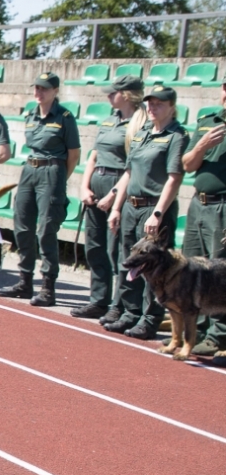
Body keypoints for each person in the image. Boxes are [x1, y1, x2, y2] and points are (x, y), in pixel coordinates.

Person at [105, 85, 188, 341]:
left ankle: (150, 318)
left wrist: (159, 213)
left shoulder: (177, 136)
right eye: (150, 103)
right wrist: (117, 207)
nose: (152, 107)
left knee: (154, 268)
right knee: (128, 261)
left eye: (159, 104)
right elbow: (128, 173)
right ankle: (130, 311)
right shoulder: (142, 133)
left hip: (154, 207)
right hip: (132, 204)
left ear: (172, 107)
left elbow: (174, 178)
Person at [0, 73, 80, 308]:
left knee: (46, 230)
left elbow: (74, 155)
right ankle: (24, 281)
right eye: (36, 88)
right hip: (29, 169)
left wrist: (59, 179)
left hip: (52, 171)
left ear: (55, 91)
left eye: (44, 89)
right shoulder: (31, 114)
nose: (39, 92)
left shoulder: (64, 117)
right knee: (22, 225)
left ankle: (48, 286)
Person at [76, 77, 143, 323]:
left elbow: (133, 166)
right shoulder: (109, 119)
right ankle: (98, 299)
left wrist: (113, 195)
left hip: (119, 186)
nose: (108, 96)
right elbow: (93, 156)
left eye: (113, 93)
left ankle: (118, 304)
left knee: (116, 251)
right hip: (97, 183)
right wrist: (84, 187)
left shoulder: (139, 123)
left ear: (126, 95)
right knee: (94, 247)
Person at [180, 91, 226, 357]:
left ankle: (218, 336)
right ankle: (197, 326)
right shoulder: (207, 121)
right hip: (199, 203)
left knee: (219, 272)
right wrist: (202, 146)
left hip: (222, 206)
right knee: (192, 266)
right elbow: (187, 164)